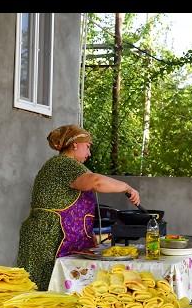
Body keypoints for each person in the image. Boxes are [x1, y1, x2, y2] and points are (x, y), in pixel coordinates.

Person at [16, 124, 141, 291]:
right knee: (45, 295)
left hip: (50, 236)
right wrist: (127, 187)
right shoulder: (63, 164)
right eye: (87, 147)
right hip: (50, 239)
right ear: (75, 144)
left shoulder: (64, 165)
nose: (89, 153)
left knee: (53, 297)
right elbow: (97, 182)